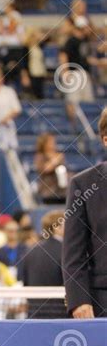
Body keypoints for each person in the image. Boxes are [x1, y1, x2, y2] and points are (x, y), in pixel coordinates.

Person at [62, 108, 107, 318]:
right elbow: (73, 253)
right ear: (105, 140)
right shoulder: (83, 184)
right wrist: (79, 300)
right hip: (102, 302)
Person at [18, 210, 66, 319]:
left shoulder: (31, 251)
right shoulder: (67, 251)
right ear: (56, 228)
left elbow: (25, 281)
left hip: (34, 313)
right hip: (61, 314)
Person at [34, 133, 67, 204]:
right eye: (50, 142)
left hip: (61, 191)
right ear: (44, 144)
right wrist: (55, 161)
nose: (53, 144)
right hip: (48, 192)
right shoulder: (40, 157)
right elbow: (46, 169)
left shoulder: (59, 155)